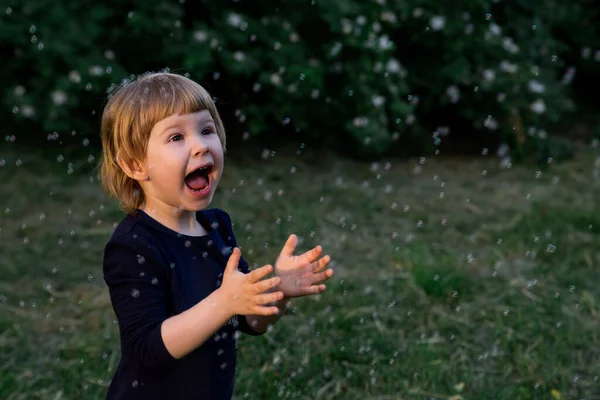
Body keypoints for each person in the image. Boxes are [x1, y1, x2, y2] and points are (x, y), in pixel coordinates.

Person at [99, 71, 334, 400]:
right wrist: (224, 303)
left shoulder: (217, 228)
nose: (199, 145)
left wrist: (277, 291)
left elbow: (249, 323)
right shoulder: (134, 245)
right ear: (136, 165)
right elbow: (147, 348)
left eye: (206, 130)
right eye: (176, 137)